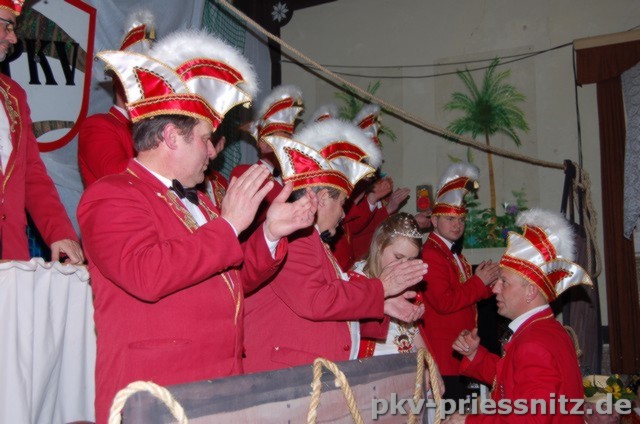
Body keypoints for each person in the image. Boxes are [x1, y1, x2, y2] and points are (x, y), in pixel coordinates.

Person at [77, 31, 317, 424]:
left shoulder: (202, 202)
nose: (212, 151)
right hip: (156, 393)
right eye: (206, 139)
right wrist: (228, 226)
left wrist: (271, 234)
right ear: (171, 137)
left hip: (218, 390)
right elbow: (147, 274)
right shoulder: (111, 194)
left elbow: (232, 279)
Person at [243, 119, 428, 373]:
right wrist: (381, 288)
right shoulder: (295, 237)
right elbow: (317, 300)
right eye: (342, 203)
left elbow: (331, 312)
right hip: (285, 376)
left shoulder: (315, 242)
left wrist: (382, 305)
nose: (343, 214)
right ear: (321, 199)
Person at [444, 209, 593, 423]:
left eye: (504, 282)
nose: (494, 288)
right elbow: (511, 377)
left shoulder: (534, 344)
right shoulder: (544, 329)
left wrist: (468, 421)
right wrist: (474, 354)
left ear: (531, 291)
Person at [0, 0, 83, 263]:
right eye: (7, 26)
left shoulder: (14, 95)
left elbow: (32, 174)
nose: (13, 38)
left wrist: (60, 232)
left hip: (12, 260)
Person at [419, 162, 500, 401]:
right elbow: (444, 302)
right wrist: (479, 282)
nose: (457, 225)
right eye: (450, 219)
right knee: (448, 412)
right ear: (434, 220)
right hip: (444, 354)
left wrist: (490, 284)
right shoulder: (431, 254)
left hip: (459, 350)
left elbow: (465, 293)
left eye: (462, 220)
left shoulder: (452, 253)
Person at [78, 9, 155, 187]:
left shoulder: (156, 127)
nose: (143, 85)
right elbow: (118, 177)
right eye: (135, 76)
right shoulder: (98, 125)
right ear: (117, 80)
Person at [230, 84, 303, 239]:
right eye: (279, 142)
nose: (286, 148)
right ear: (262, 144)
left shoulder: (295, 179)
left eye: (289, 143)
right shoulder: (244, 172)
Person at [354, 212, 427, 357]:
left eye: (411, 260)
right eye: (398, 257)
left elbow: (414, 334)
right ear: (380, 244)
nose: (404, 265)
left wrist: (431, 367)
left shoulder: (407, 284)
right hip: (373, 365)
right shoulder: (357, 282)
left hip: (407, 365)